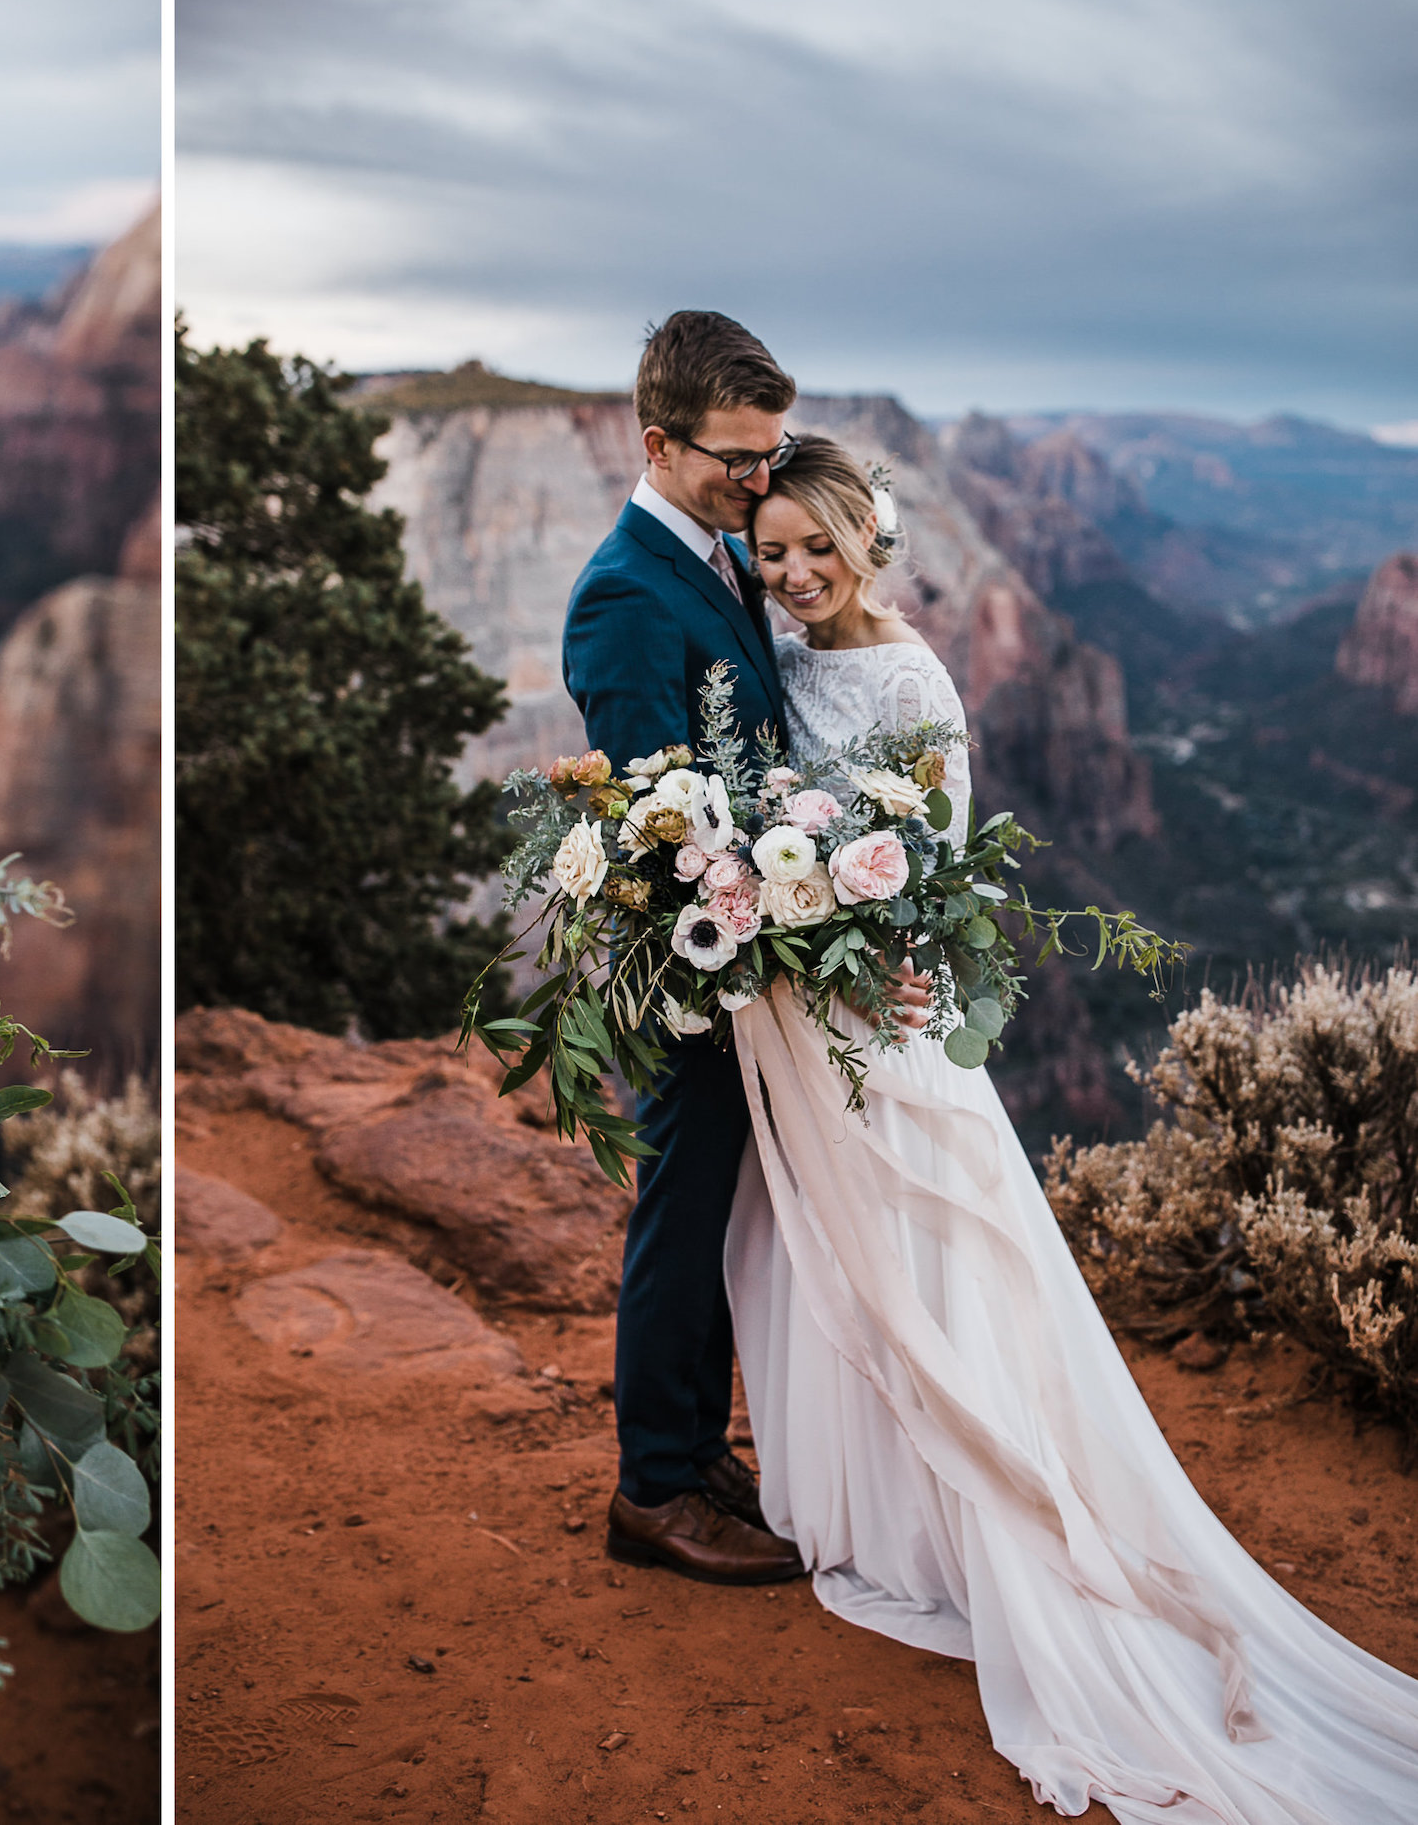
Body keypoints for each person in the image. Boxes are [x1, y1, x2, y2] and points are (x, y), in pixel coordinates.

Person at [726, 438, 1418, 1821]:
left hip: (878, 1016)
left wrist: (881, 947)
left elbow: (934, 858)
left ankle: (961, 1531)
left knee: (927, 1262)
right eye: (774, 547)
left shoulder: (914, 676)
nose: (795, 573)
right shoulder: (765, 644)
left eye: (819, 546)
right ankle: (857, 1507)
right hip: (794, 1014)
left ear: (872, 538)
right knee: (807, 1263)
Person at [560, 311, 815, 1585]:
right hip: (691, 964)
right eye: (734, 459)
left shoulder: (711, 551)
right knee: (682, 1210)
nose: (757, 483)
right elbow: (655, 816)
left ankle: (695, 1444)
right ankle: (653, 1486)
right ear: (657, 443)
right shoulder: (620, 592)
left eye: (771, 455)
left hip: (753, 947)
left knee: (720, 1213)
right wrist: (761, 916)